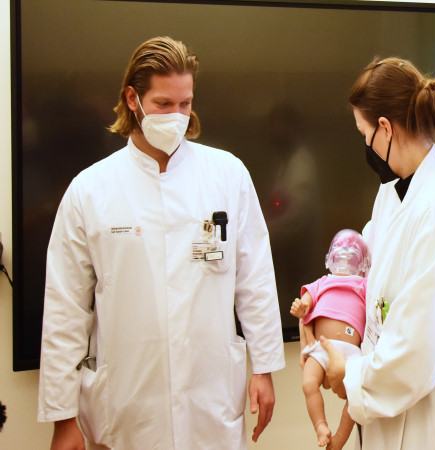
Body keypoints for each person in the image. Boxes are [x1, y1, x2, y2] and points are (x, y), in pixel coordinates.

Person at [37, 36, 285, 449]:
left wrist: (265, 367)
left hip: (210, 401)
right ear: (132, 99)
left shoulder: (227, 175)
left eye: (185, 104)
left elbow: (254, 279)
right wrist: (63, 418)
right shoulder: (91, 190)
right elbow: (65, 310)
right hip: (128, 405)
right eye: (164, 105)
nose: (176, 116)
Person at [321, 57, 435, 449]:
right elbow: (366, 264)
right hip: (385, 417)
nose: (365, 145)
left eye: (365, 133)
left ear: (386, 128)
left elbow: (417, 350)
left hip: (426, 429)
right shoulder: (392, 192)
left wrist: (351, 376)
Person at [289, 229, 369, 449]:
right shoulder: (322, 282)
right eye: (340, 249)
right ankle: (321, 425)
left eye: (351, 250)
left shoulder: (364, 285)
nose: (345, 254)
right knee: (308, 383)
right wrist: (302, 307)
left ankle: (340, 439)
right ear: (329, 258)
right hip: (320, 348)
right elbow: (306, 300)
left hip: (352, 353)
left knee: (355, 395)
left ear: (363, 263)